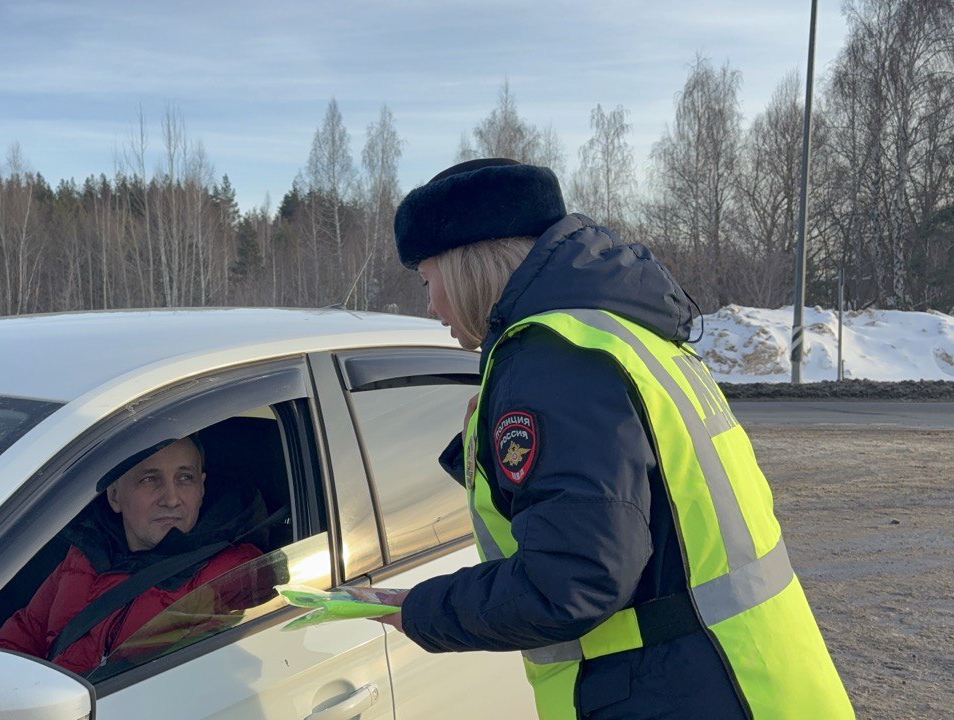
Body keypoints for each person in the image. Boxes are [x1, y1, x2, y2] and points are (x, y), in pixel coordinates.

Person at [359, 158, 854, 719]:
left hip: (681, 690)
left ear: (469, 266)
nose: (429, 306)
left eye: (428, 281)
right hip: (753, 674)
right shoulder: (614, 330)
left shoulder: (550, 359)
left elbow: (573, 579)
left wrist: (422, 611)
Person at [0, 436, 263, 674]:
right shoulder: (85, 555)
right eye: (150, 479)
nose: (171, 499)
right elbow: (26, 634)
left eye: (185, 478)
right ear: (114, 496)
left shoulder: (233, 574)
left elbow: (206, 684)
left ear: (202, 488)